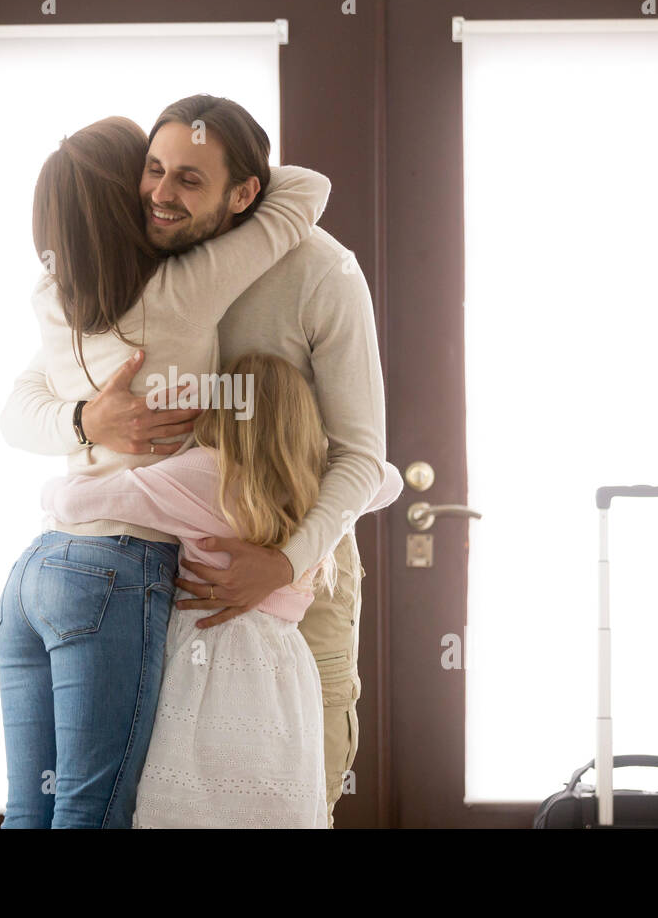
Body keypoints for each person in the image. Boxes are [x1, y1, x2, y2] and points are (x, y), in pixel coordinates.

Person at [1, 95, 387, 826]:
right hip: (155, 576)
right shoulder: (135, 267)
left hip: (292, 571)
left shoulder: (320, 272)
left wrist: (284, 561)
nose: (158, 195)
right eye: (152, 171)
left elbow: (364, 457)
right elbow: (21, 407)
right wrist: (88, 419)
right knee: (159, 796)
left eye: (187, 179)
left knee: (298, 790)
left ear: (245, 194)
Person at [40, 352, 402, 827]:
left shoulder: (204, 473)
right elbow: (387, 480)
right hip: (286, 673)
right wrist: (312, 447)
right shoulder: (320, 487)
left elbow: (70, 500)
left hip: (204, 663)